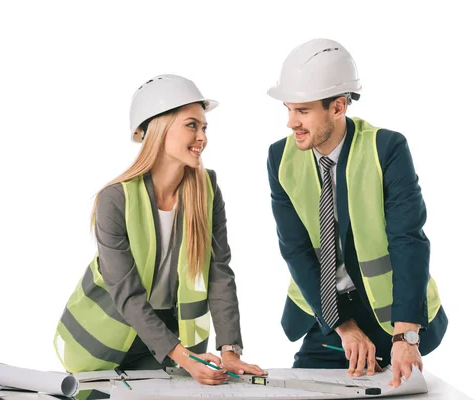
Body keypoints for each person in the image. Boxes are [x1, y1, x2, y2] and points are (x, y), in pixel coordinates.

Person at [54, 74, 266, 385]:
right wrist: (183, 356)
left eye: (204, 127)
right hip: (106, 341)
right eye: (191, 125)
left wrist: (230, 350)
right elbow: (126, 294)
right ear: (158, 129)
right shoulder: (116, 199)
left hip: (170, 340)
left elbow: (219, 271)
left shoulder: (207, 190)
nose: (202, 137)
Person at [265, 39, 448, 387]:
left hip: (391, 319)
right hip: (329, 314)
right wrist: (343, 327)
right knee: (302, 388)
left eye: (302, 111)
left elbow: (407, 241)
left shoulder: (387, 149)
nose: (291, 123)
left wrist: (405, 337)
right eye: (288, 109)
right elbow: (296, 250)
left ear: (337, 107)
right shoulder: (280, 158)